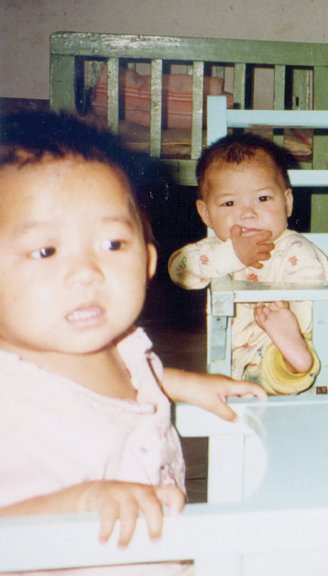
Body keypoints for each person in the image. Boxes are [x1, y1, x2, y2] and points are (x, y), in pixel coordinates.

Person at [0, 110, 267, 574]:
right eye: (45, 250)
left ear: (146, 261)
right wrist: (82, 500)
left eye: (112, 244)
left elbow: (138, 375)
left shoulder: (119, 344)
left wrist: (185, 385)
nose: (87, 272)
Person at [168, 133, 328, 472]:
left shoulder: (295, 249)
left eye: (262, 198)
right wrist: (231, 255)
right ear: (205, 212)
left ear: (286, 203)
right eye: (229, 204)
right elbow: (180, 271)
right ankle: (294, 373)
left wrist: (289, 328)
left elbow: (312, 298)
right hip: (263, 346)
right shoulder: (212, 251)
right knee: (260, 384)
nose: (247, 214)